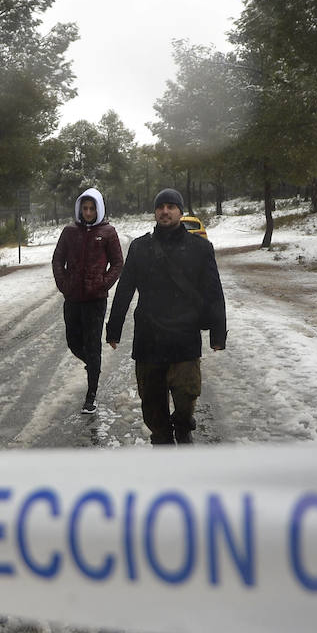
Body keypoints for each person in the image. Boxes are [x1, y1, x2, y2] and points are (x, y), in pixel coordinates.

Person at [106, 188, 226, 444]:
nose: (165, 211)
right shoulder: (140, 248)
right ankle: (161, 441)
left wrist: (217, 334)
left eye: (171, 206)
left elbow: (214, 291)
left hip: (185, 339)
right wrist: (113, 328)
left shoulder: (200, 248)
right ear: (155, 212)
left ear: (181, 212)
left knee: (186, 398)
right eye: (161, 207)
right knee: (152, 406)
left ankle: (183, 427)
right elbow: (125, 289)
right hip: (149, 340)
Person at [52, 187, 124, 413]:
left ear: (99, 208)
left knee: (93, 347)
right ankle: (94, 367)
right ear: (79, 209)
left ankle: (91, 395)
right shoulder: (69, 231)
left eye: (92, 208)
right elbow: (57, 260)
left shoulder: (108, 232)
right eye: (84, 208)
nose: (88, 212)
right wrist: (64, 284)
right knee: (73, 342)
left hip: (95, 300)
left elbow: (118, 263)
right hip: (73, 298)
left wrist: (102, 283)